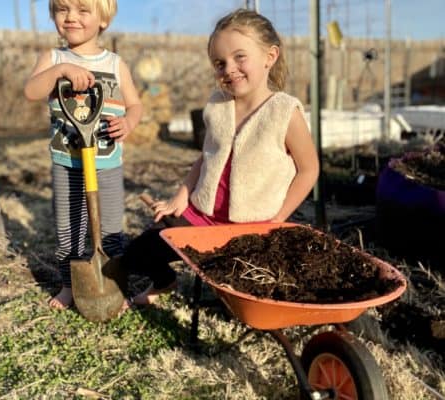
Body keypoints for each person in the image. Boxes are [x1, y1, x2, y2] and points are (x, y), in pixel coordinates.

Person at [120, 8, 319, 309]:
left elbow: (308, 169)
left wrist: (278, 219)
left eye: (240, 57)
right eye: (220, 63)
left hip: (252, 226)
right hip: (204, 217)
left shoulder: (283, 112)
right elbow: (207, 157)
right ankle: (164, 282)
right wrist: (181, 196)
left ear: (270, 56)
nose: (229, 69)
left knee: (243, 299)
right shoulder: (218, 106)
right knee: (139, 252)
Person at [24, 0, 142, 309]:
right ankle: (69, 284)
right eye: (62, 9)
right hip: (67, 162)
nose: (71, 17)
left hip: (108, 163)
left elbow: (136, 105)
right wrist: (61, 70)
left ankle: (115, 284)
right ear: (53, 15)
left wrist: (129, 122)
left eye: (82, 10)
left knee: (111, 228)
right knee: (69, 228)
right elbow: (31, 91)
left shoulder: (116, 64)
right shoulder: (53, 58)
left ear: (103, 19)